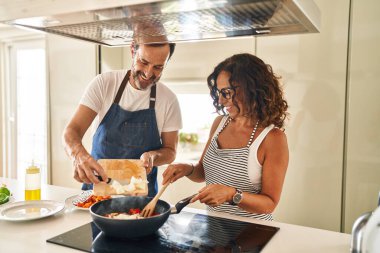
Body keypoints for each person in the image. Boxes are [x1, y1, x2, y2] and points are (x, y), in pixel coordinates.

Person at [163, 53, 289, 220]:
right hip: (214, 227)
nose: (221, 101)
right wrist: (187, 168)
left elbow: (270, 203)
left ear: (251, 89)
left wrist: (232, 195)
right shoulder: (219, 124)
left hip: (253, 233)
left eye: (227, 92)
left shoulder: (272, 138)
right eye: (219, 92)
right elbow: (203, 173)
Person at [62, 38, 182, 197]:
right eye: (143, 62)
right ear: (133, 50)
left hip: (142, 201)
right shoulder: (104, 84)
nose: (148, 73)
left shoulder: (168, 99)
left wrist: (153, 156)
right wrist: (78, 155)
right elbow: (71, 131)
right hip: (96, 196)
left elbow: (170, 151)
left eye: (158, 67)